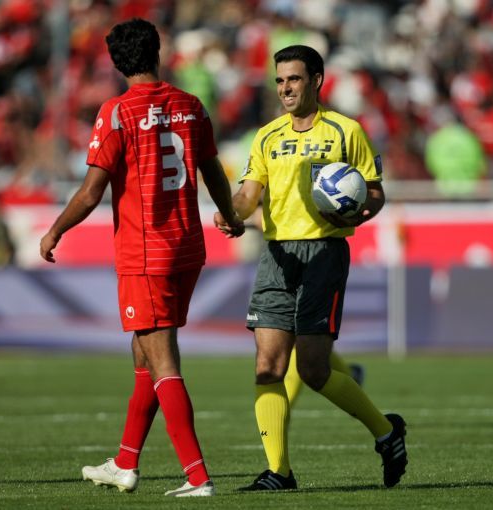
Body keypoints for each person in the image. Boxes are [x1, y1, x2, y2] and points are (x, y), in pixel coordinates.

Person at [39, 18, 244, 498]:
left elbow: (91, 192)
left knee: (163, 361)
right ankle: (125, 462)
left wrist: (55, 230)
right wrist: (231, 215)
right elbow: (211, 168)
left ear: (116, 63)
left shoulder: (117, 112)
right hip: (188, 247)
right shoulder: (191, 105)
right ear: (158, 52)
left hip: (146, 252)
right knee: (145, 356)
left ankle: (197, 477)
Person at [215, 45, 407, 491]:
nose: (285, 88)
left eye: (294, 79)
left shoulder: (346, 131)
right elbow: (249, 194)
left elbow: (375, 193)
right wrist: (232, 213)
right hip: (276, 255)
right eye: (280, 80)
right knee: (267, 367)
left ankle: (387, 431)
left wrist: (355, 212)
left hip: (324, 254)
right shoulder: (266, 136)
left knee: (314, 370)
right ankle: (279, 472)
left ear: (316, 80)